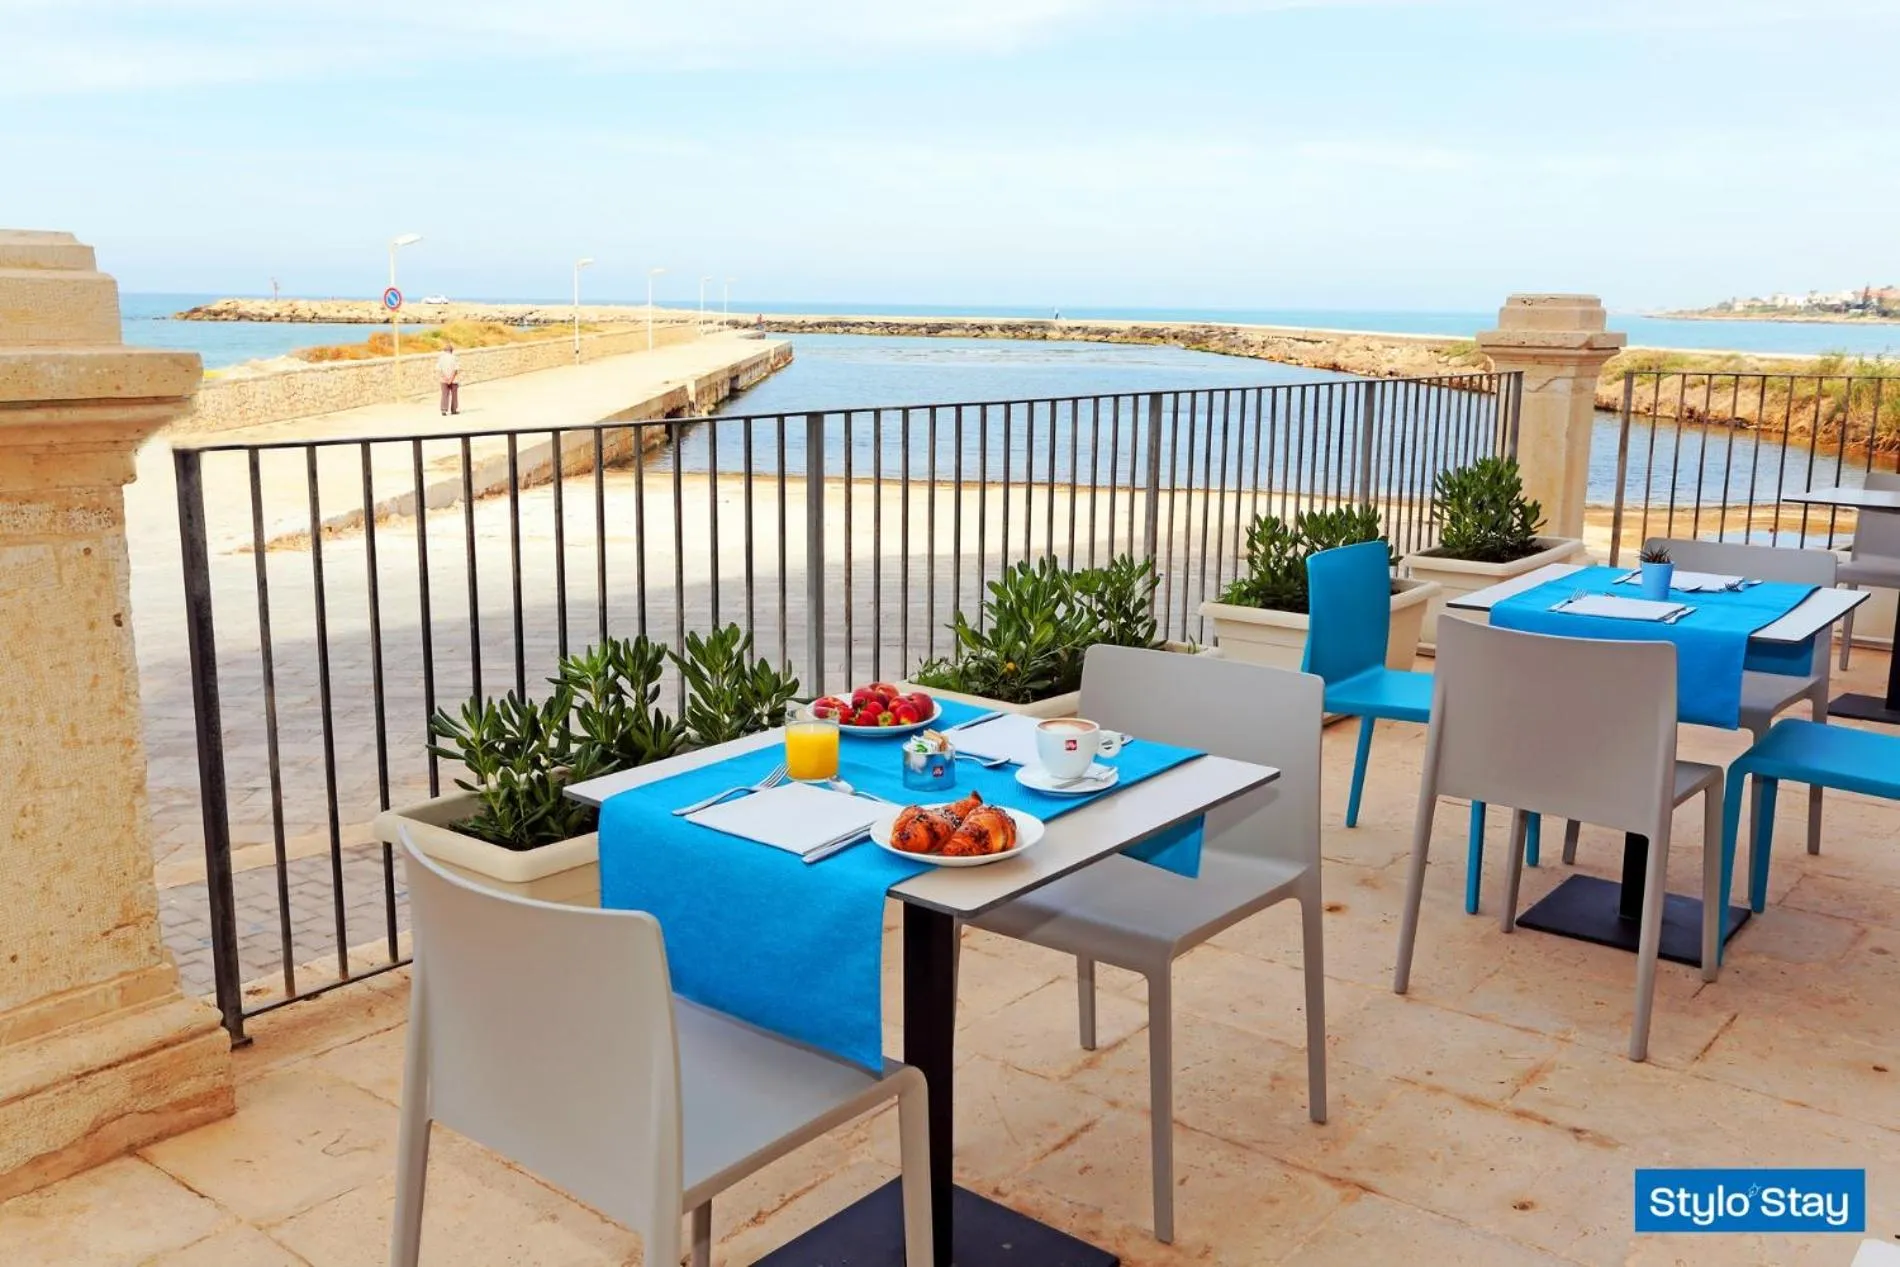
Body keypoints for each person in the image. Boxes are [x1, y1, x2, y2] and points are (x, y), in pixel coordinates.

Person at [437, 342, 460, 415]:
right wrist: (451, 379)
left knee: (444, 395)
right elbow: (455, 370)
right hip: (454, 380)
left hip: (443, 380)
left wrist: (445, 378)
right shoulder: (455, 358)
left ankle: (443, 410)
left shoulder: (441, 358)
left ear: (444, 350)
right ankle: (453, 410)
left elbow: (439, 370)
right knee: (454, 395)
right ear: (451, 350)